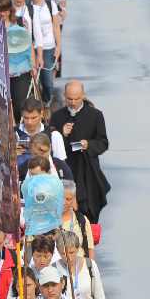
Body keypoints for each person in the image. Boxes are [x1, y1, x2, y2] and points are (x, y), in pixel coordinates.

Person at [50, 81, 111, 223]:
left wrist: (88, 144)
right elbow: (50, 145)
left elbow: (103, 143)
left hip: (88, 170)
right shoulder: (57, 117)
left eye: (76, 99)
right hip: (66, 170)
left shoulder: (96, 115)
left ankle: (89, 238)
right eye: (69, 99)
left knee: (90, 210)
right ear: (65, 96)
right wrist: (62, 134)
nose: (72, 102)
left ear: (83, 96)